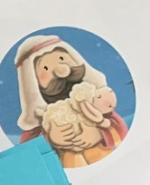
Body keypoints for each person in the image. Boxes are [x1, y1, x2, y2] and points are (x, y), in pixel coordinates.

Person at [14, 34, 129, 167]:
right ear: (33, 81)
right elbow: (28, 154)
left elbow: (120, 129)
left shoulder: (94, 103)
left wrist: (99, 134)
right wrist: (50, 139)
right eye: (46, 68)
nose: (61, 70)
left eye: (62, 59)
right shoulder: (37, 123)